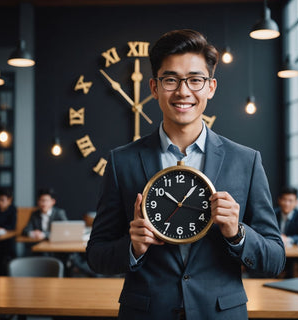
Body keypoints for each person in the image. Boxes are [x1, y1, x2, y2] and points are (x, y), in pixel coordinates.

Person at [87, 29, 285, 320]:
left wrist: (236, 233)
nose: (183, 91)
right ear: (154, 88)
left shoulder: (246, 161)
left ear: (211, 87)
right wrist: (133, 247)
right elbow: (96, 256)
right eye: (171, 80)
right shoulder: (122, 161)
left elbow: (275, 259)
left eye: (195, 80)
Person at [0, 187, 16, 275]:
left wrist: (3, 229)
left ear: (9, 200)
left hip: (7, 242)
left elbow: (12, 227)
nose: (0, 202)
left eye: (2, 200)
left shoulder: (12, 210)